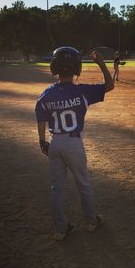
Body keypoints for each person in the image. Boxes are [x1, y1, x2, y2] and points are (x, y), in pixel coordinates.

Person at [35, 47, 114, 241]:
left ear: (55, 68)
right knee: (83, 184)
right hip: (74, 143)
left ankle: (61, 229)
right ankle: (91, 220)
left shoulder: (47, 93)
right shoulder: (82, 91)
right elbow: (109, 85)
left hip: (55, 143)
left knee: (57, 188)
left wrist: (42, 141)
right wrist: (101, 63)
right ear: (76, 68)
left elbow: (41, 118)